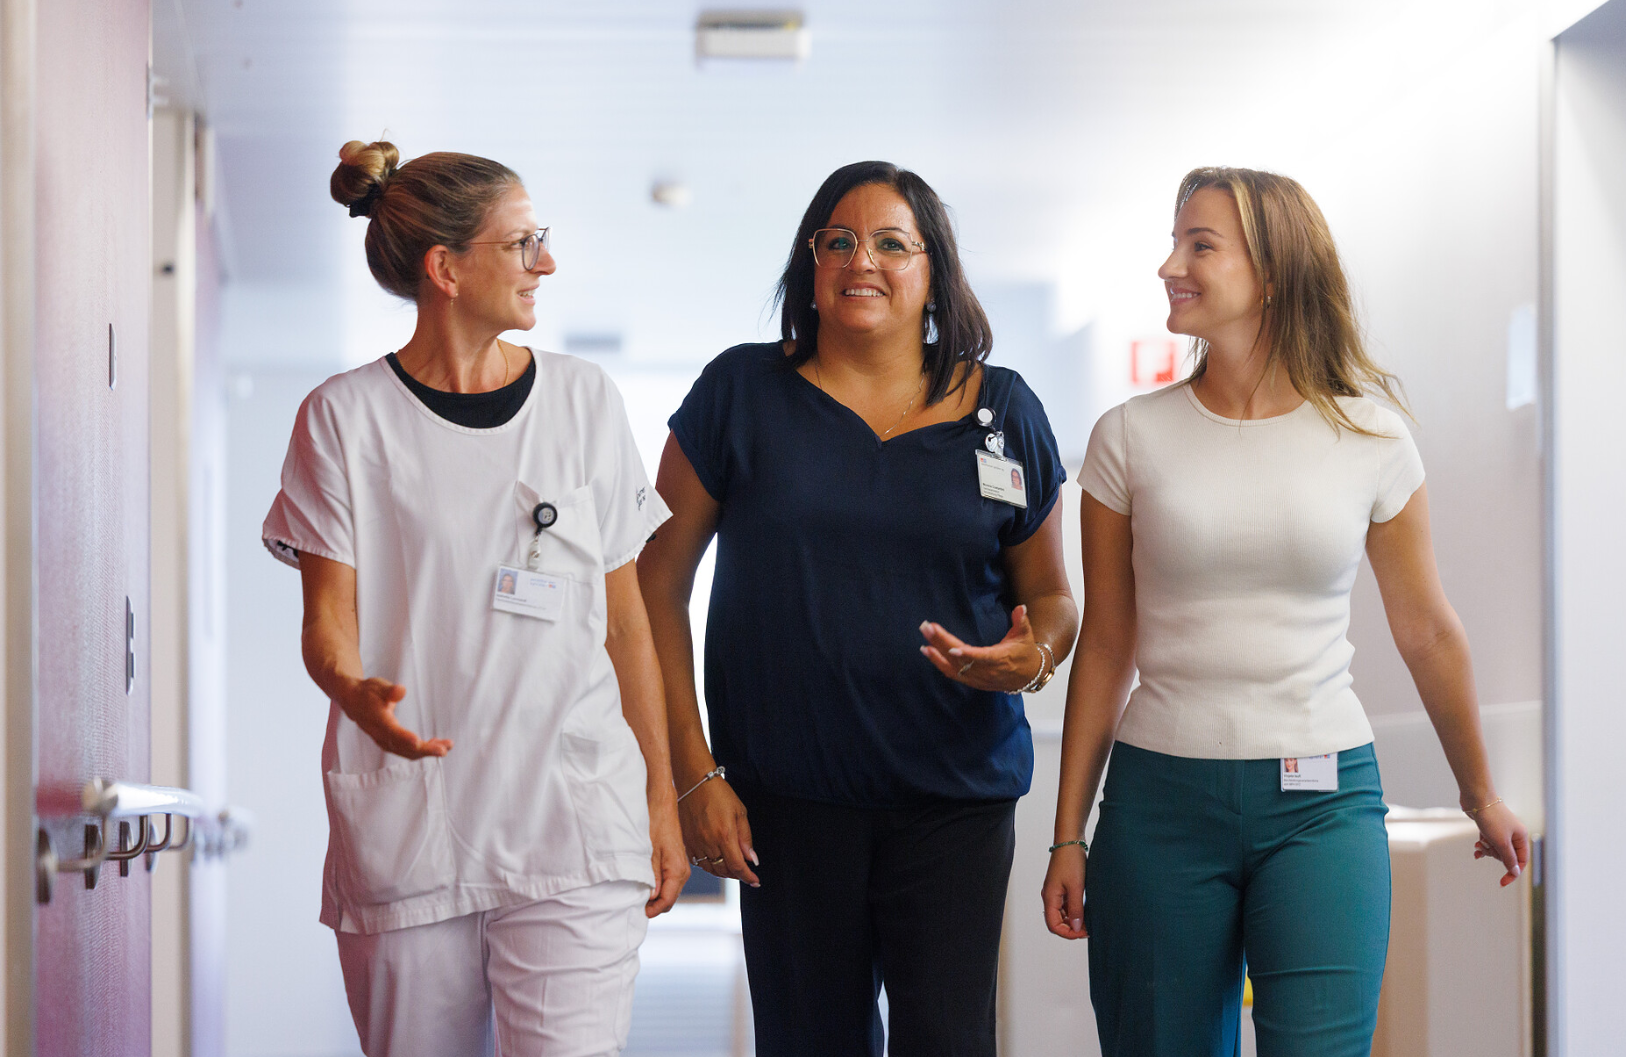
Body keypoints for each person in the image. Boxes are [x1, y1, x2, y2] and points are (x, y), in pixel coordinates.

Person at [1041, 167, 1530, 1057]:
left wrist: (1480, 792)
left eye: (1199, 245)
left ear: (1271, 274)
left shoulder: (1370, 436)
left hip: (1323, 805)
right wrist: (1067, 834)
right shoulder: (1127, 437)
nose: (1169, 266)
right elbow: (1107, 644)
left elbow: (1426, 629)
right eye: (1174, 241)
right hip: (1159, 805)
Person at [637, 160, 1078, 1056]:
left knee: (948, 1042)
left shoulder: (1004, 410)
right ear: (810, 264)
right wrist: (692, 774)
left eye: (890, 243)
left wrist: (1030, 659)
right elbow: (654, 585)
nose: (860, 260)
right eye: (836, 240)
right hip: (786, 804)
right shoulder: (741, 395)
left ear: (933, 271)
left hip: (955, 800)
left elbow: (1052, 599)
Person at [262, 140, 688, 1057]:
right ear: (446, 269)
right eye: (523, 243)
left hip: (577, 825)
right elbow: (327, 622)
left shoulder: (583, 400)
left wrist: (661, 796)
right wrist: (353, 692)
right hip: (416, 831)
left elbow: (625, 623)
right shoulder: (343, 419)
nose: (547, 263)